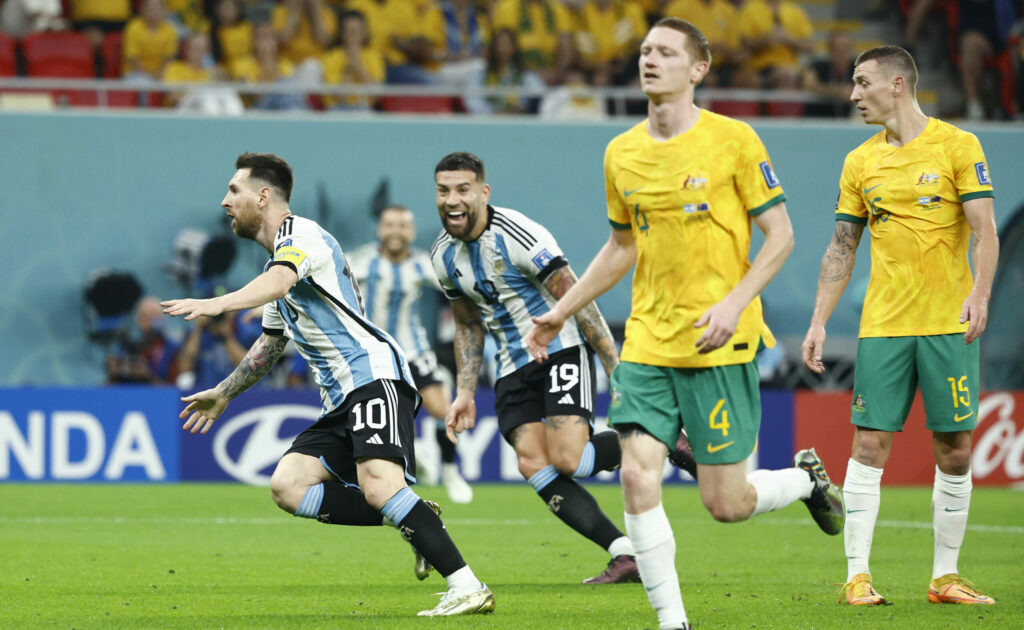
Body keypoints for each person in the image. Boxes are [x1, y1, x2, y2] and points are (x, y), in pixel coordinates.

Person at [525, 18, 844, 630]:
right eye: (646, 50)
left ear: (698, 69)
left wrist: (733, 304)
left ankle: (804, 483)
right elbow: (622, 247)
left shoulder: (734, 141)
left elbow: (781, 236)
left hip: (719, 343)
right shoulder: (621, 152)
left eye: (667, 52)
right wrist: (561, 311)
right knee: (637, 472)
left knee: (727, 503)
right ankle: (673, 622)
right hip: (648, 341)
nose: (650, 59)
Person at [162, 152, 494, 617]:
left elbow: (279, 283)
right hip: (340, 397)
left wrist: (219, 304)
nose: (225, 201)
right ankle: (415, 518)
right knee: (288, 485)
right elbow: (270, 345)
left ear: (264, 196)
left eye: (234, 190)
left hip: (372, 376)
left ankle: (468, 587)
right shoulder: (277, 266)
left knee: (379, 486)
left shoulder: (301, 236)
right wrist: (224, 392)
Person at [801, 45, 999, 606]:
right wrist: (819, 320)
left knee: (955, 448)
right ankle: (857, 577)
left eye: (862, 83)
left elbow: (984, 230)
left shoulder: (959, 145)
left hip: (947, 322)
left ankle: (944, 578)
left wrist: (980, 293)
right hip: (884, 325)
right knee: (869, 443)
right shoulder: (859, 162)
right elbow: (842, 246)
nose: (853, 95)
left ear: (897, 84)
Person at [430, 151, 642, 584]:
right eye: (443, 190)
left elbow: (578, 298)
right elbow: (468, 324)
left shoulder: (519, 234)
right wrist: (465, 392)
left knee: (569, 459)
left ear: (483, 193)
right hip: (510, 366)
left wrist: (615, 368)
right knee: (532, 463)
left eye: (463, 189)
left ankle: (656, 433)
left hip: (559, 349)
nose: (452, 200)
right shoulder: (442, 256)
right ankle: (624, 554)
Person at [347, 205, 474, 504]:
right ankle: (407, 461)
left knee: (443, 409)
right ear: (380, 229)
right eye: (390, 225)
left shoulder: (422, 264)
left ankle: (450, 470)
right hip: (373, 355)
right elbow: (317, 280)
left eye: (402, 225)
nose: (396, 231)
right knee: (384, 416)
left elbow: (459, 286)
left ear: (412, 232)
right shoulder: (361, 261)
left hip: (414, 351)